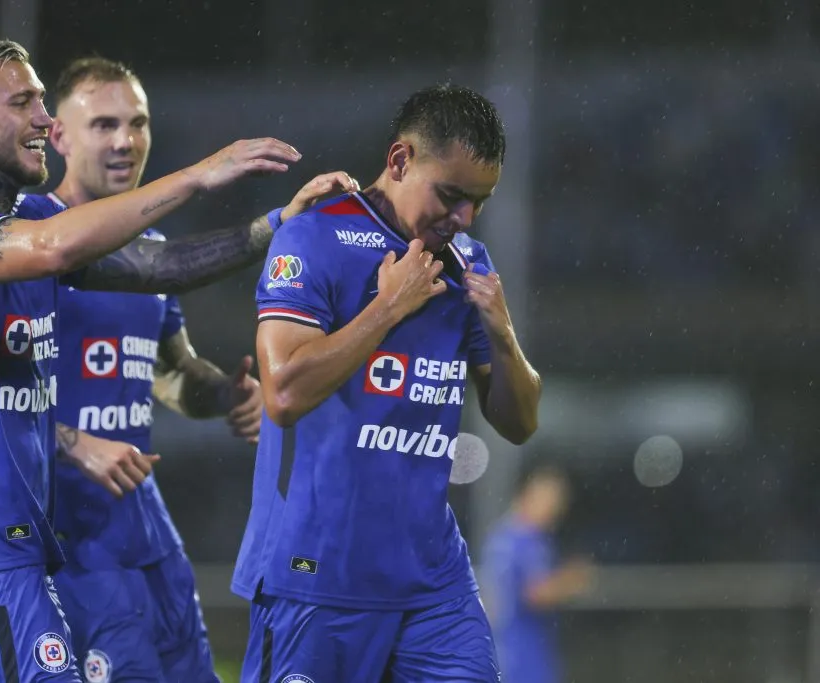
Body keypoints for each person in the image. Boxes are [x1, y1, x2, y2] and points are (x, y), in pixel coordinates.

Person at [0, 34, 303, 682]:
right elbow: (54, 247)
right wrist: (197, 174)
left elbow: (159, 267)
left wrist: (279, 223)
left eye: (136, 123)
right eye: (24, 102)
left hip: (29, 542)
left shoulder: (29, 240)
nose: (42, 118)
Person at [26, 57, 359, 683]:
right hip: (67, 527)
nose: (125, 140)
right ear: (59, 137)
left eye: (138, 123)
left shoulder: (149, 247)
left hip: (143, 522)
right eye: (103, 124)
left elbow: (170, 374)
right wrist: (70, 443)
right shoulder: (33, 234)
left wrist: (225, 393)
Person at [231, 83, 543, 683]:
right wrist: (386, 309)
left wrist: (503, 335)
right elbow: (285, 393)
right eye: (451, 196)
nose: (464, 219)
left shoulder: (469, 264)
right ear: (401, 160)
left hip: (432, 583)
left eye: (479, 203)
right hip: (317, 574)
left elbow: (520, 422)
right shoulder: (315, 237)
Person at [479, 465, 595, 683]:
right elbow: (536, 593)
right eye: (549, 498)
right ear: (528, 495)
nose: (554, 508)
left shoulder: (506, 536)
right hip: (521, 652)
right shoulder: (523, 540)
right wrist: (572, 580)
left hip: (512, 648)